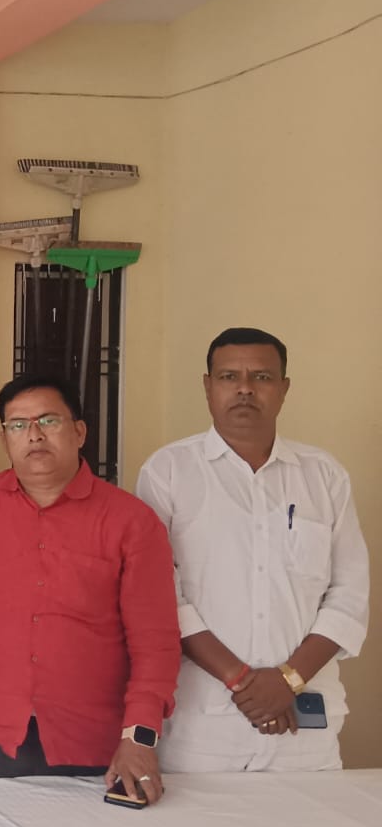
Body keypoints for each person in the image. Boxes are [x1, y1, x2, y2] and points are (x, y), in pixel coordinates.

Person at [136, 328, 368, 773]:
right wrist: (243, 681)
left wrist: (288, 680)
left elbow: (349, 595)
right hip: (203, 727)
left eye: (261, 377)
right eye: (229, 376)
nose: (244, 388)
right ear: (208, 386)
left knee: (310, 821)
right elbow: (159, 596)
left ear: (284, 388)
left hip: (303, 721)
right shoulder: (168, 472)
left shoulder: (324, 476)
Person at [0, 375, 179, 804]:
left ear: (79, 432)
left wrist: (139, 736)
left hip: (90, 738)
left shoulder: (132, 521)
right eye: (18, 425)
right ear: (4, 439)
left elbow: (154, 642)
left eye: (48, 420)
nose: (34, 435)